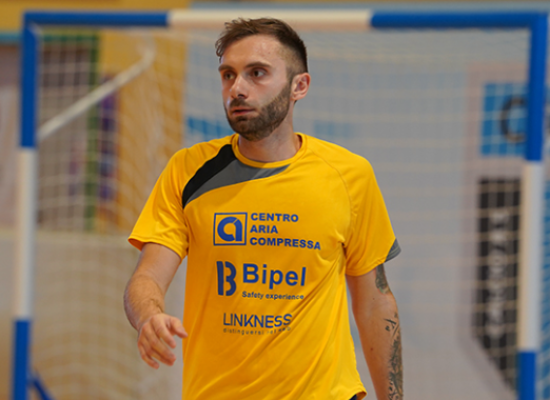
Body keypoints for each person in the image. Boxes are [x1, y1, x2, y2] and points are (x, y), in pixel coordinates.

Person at [124, 17, 402, 400]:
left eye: (257, 73)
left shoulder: (350, 175)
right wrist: (149, 316)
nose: (237, 89)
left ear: (299, 86)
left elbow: (374, 302)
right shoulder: (188, 170)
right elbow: (147, 278)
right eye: (228, 75)